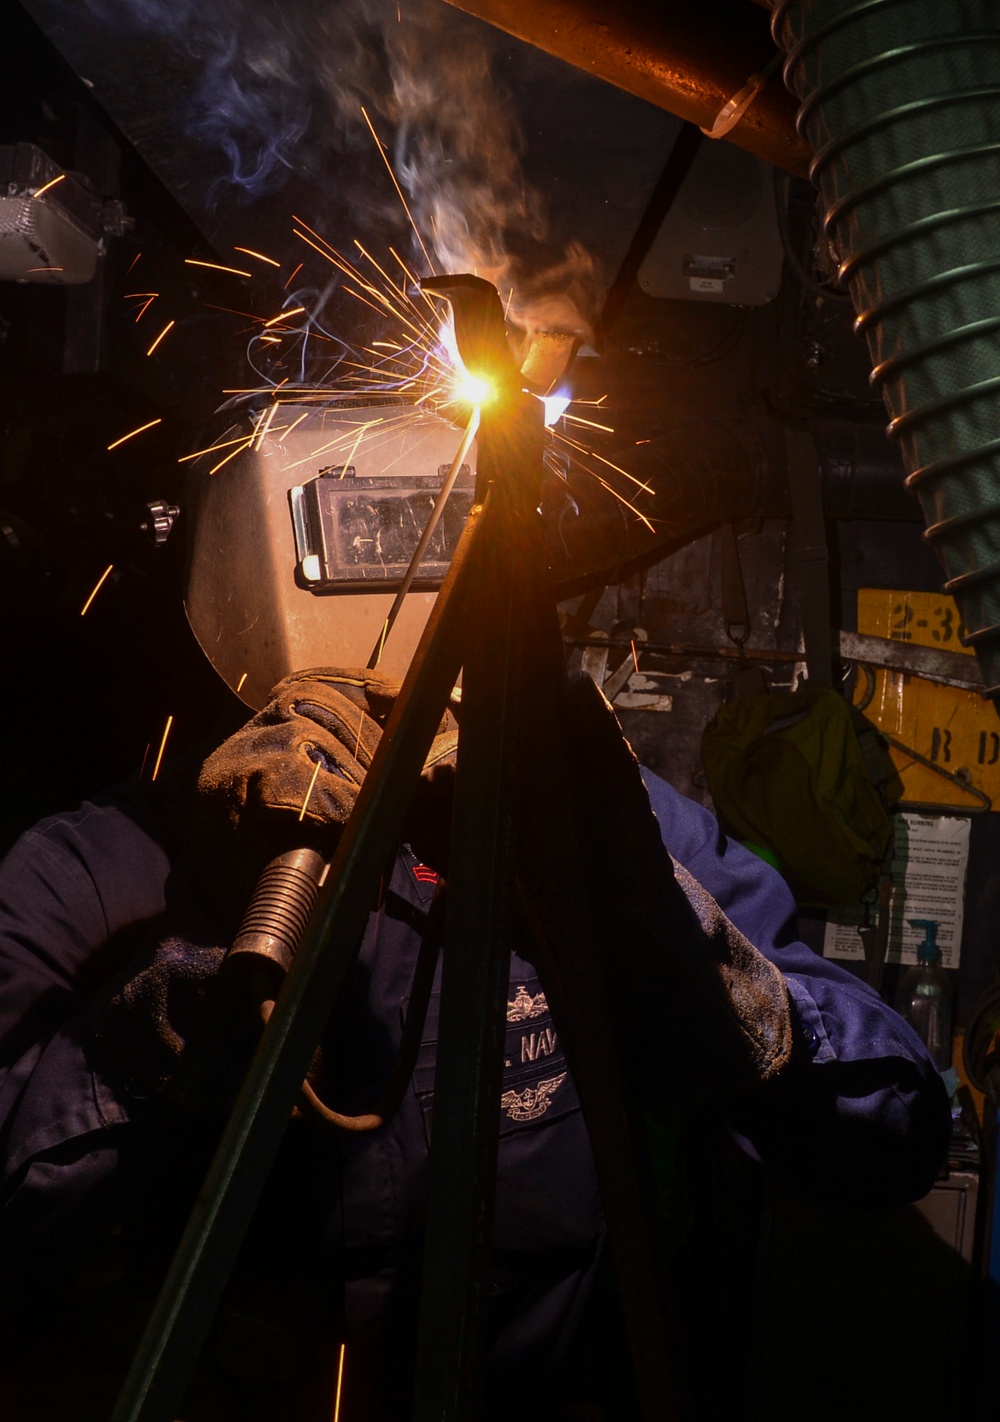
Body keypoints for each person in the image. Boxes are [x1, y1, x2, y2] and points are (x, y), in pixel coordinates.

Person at [0, 663, 951, 1421]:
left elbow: (896, 1130)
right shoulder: (97, 869)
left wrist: (673, 942)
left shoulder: (598, 818)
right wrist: (176, 1001)